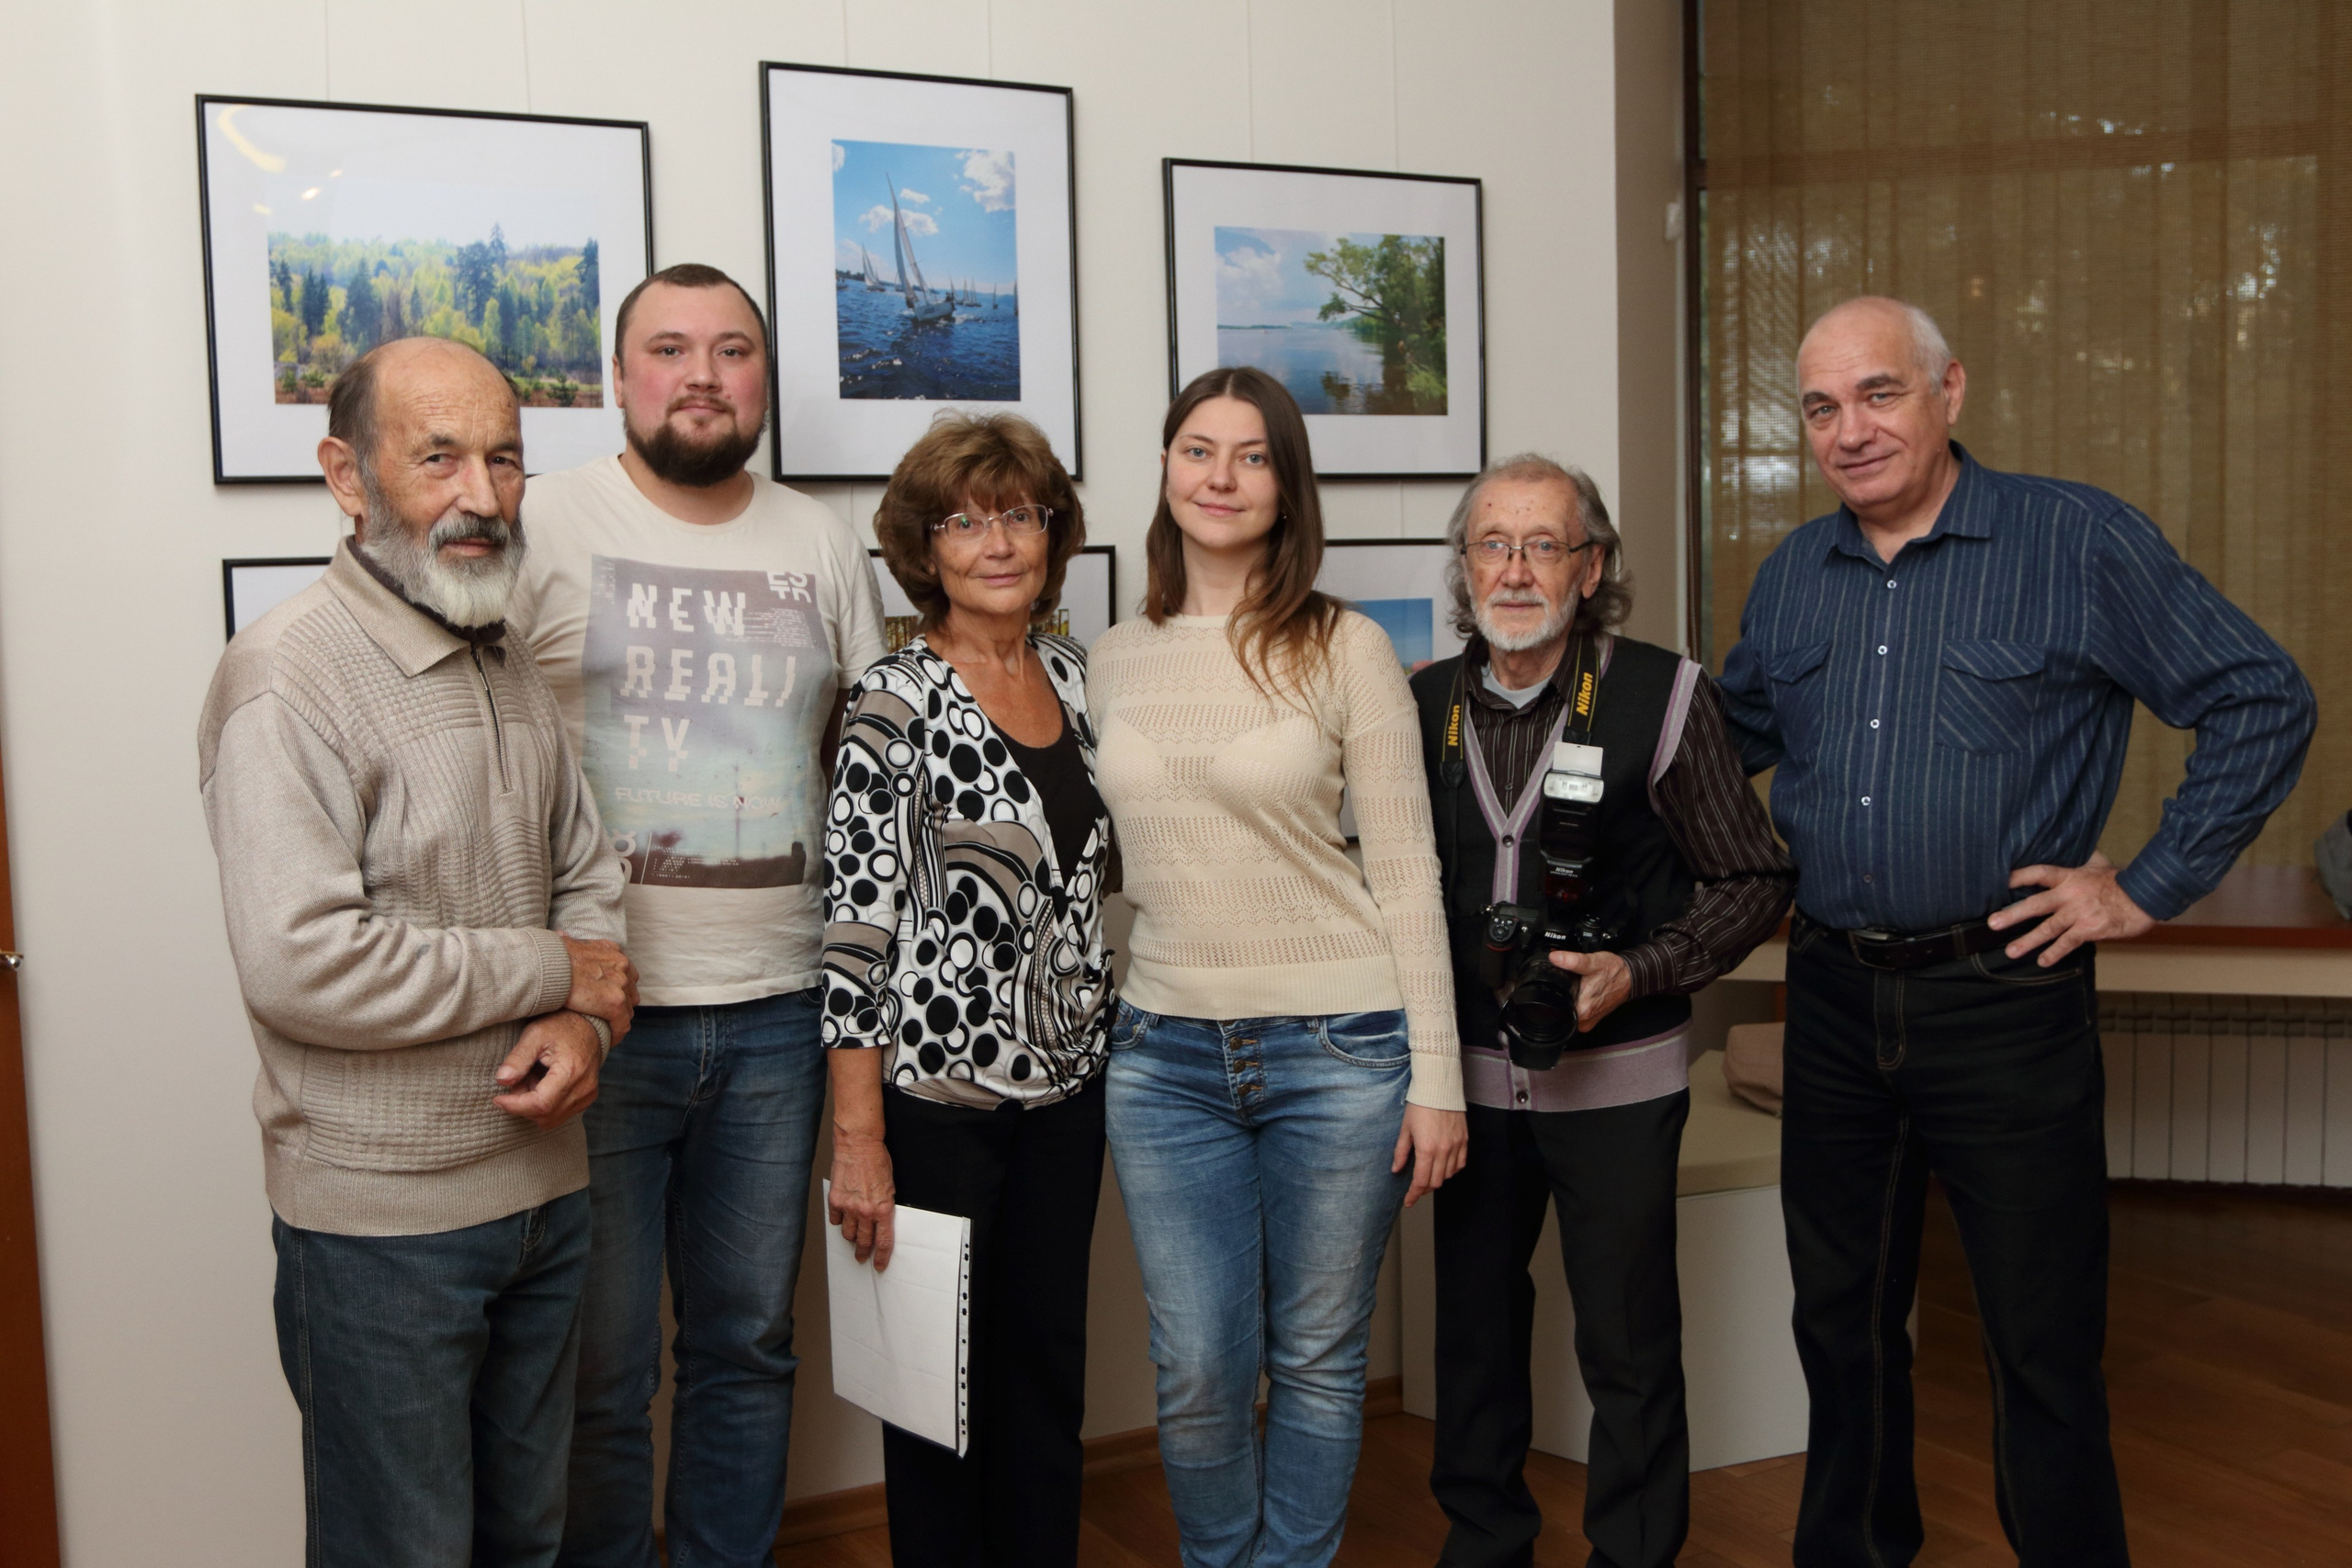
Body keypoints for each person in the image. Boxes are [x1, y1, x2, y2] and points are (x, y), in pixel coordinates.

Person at [1718, 296, 2316, 1568]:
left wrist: (2146, 885)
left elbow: (2262, 694)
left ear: (1951, 390)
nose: (1850, 429)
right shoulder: (1792, 575)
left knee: (2039, 1336)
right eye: (1822, 407)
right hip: (1829, 995)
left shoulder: (2075, 540)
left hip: (2002, 997)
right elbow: (1721, 751)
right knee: (1841, 1322)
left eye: (1878, 392)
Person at [198, 335, 637, 1568]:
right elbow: (306, 963)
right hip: (383, 1233)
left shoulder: (505, 655)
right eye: (438, 457)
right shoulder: (285, 679)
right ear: (349, 475)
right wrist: (553, 972)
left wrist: (585, 1019)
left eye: (504, 458)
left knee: (526, 1541)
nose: (482, 495)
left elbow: (592, 886)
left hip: (546, 1193)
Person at [503, 263, 885, 1568]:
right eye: (670, 349)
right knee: (598, 1369)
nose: (703, 375)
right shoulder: (543, 522)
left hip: (783, 1011)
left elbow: (863, 766)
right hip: (603, 1016)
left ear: (764, 379)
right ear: (620, 378)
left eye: (732, 350)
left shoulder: (822, 542)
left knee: (745, 1344)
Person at [1087, 366, 1468, 1568]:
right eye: (1199, 449)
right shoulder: (1109, 655)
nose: (1221, 475)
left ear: (1288, 482)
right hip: (1161, 1055)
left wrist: (1439, 1078)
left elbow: (1408, 868)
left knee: (1315, 1354)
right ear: (1164, 468)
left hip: (1341, 1047)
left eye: (1252, 455)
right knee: (1197, 1363)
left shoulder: (1346, 644)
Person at [1411, 456, 1793, 1568]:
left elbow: (1752, 880)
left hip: (1619, 1080)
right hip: (1464, 1091)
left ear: (1591, 569)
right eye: (1493, 542)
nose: (1516, 568)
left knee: (1627, 1342)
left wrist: (1637, 968)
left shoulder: (1664, 695)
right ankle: (1483, 1549)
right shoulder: (1418, 702)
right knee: (1473, 1340)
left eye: (1544, 544)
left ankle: (1632, 1554)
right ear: (1464, 564)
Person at [820, 412, 1113, 1567]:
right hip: (932, 1110)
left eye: (1019, 514)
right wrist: (858, 1142)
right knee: (933, 1399)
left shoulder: (1080, 676)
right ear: (923, 546)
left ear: (1052, 532)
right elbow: (852, 940)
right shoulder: (891, 701)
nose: (997, 542)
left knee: (1045, 1377)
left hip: (1069, 1094)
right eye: (965, 520)